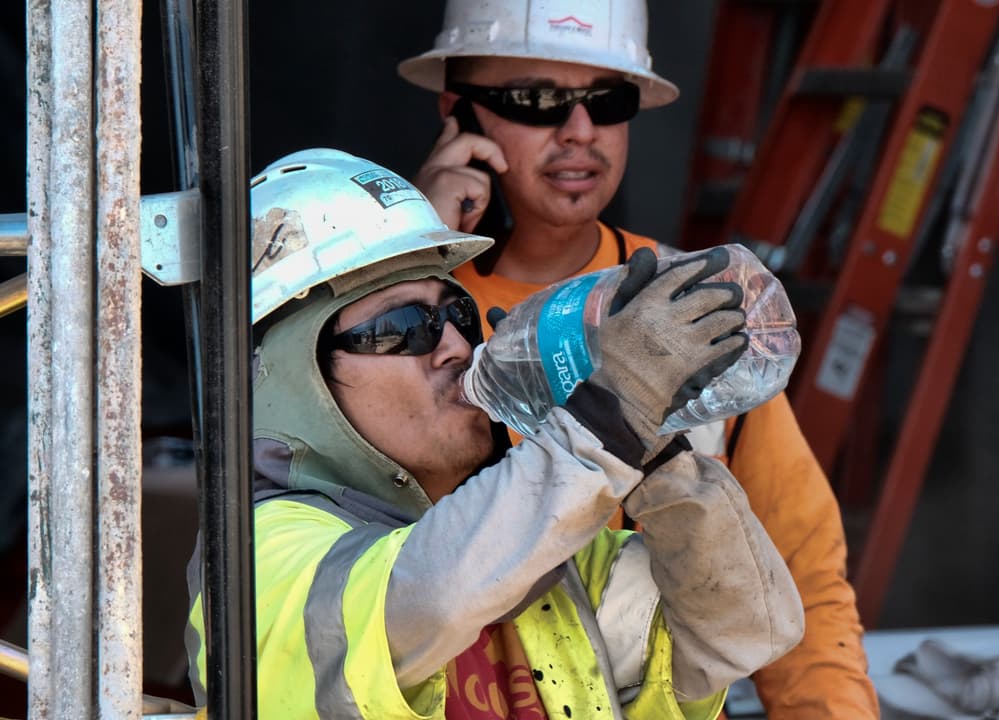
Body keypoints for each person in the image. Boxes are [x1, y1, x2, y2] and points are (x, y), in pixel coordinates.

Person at [183, 148, 804, 719]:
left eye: (454, 313)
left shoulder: (533, 551)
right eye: (404, 326)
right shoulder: (255, 557)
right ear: (293, 378)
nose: (456, 345)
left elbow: (749, 629)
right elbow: (427, 595)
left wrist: (653, 449)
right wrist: (605, 419)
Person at [398, 2, 879, 717]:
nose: (580, 132)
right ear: (457, 116)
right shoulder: (397, 325)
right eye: (538, 102)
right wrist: (411, 250)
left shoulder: (688, 307)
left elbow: (801, 568)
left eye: (608, 100)